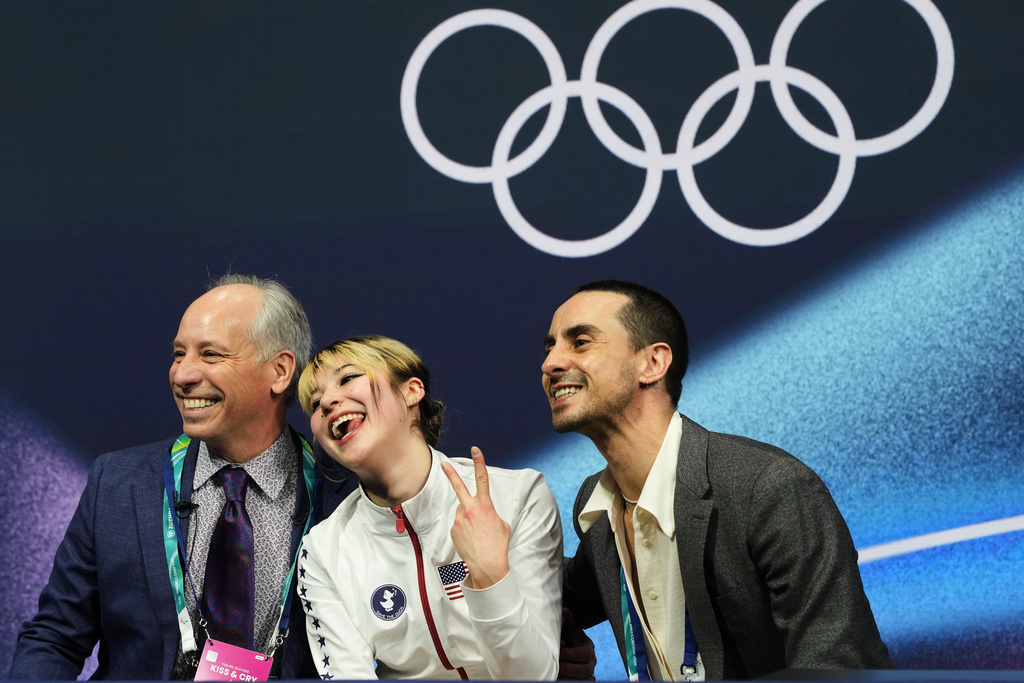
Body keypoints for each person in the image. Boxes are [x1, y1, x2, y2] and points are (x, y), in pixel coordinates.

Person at [543, 280, 893, 680]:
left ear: (653, 363)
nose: (551, 363)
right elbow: (553, 596)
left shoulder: (768, 488)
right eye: (549, 347)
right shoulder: (597, 506)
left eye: (581, 342)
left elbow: (837, 669)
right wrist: (470, 562)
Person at [9, 274, 354, 680]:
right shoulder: (117, 484)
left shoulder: (345, 494)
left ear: (279, 372)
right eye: (178, 354)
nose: (182, 375)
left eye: (210, 355)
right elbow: (54, 637)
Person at [296, 335, 562, 680]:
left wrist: (490, 577)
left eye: (348, 378)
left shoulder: (518, 497)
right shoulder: (322, 550)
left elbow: (533, 677)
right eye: (315, 404)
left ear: (412, 391)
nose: (329, 402)